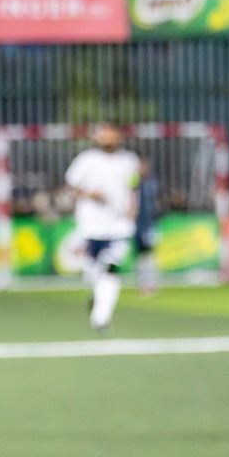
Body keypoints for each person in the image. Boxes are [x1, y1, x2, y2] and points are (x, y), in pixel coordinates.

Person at [64, 123, 139, 333]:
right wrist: (90, 194)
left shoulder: (129, 160)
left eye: (110, 133)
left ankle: (101, 318)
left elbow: (132, 187)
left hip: (118, 226)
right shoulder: (86, 160)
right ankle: (96, 299)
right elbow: (71, 185)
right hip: (91, 225)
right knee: (93, 273)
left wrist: (133, 209)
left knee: (110, 267)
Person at [134, 156, 160, 297]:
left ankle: (151, 283)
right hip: (137, 226)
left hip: (149, 225)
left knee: (149, 256)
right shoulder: (134, 184)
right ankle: (143, 284)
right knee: (140, 256)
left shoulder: (151, 183)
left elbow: (157, 204)